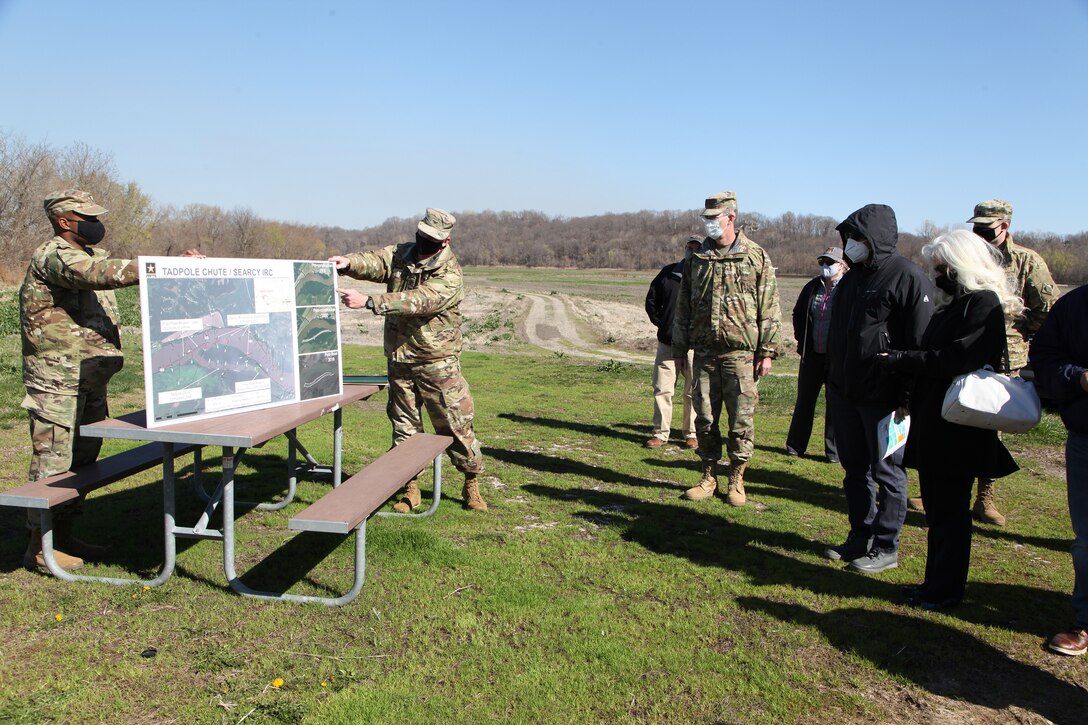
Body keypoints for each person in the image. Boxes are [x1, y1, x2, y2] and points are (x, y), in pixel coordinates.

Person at [20, 190, 203, 572]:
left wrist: (173, 267)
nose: (94, 222)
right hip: (58, 379)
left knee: (83, 460)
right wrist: (159, 265)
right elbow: (101, 276)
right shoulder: (54, 255)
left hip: (89, 376)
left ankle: (65, 534)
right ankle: (40, 547)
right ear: (63, 220)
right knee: (53, 460)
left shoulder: (90, 254)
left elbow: (113, 270)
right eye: (84, 216)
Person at [878, 230, 1024, 609]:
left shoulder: (982, 305)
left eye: (943, 267)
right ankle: (934, 584)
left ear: (963, 266)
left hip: (958, 427)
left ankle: (946, 591)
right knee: (939, 510)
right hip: (937, 420)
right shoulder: (953, 305)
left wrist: (902, 359)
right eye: (936, 267)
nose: (937, 274)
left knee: (951, 514)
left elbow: (955, 358)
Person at [330, 208, 487, 512]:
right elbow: (377, 261)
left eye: (431, 238)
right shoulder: (404, 253)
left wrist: (370, 301)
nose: (423, 241)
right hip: (400, 357)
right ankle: (410, 488)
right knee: (404, 426)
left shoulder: (450, 273)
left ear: (445, 241)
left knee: (455, 425)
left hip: (436, 361)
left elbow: (420, 300)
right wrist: (348, 263)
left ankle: (471, 481)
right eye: (422, 235)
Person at [822, 203, 934, 574]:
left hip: (884, 397)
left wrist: (905, 397)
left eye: (858, 237)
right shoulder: (852, 279)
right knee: (855, 470)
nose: (851, 244)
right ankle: (860, 536)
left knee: (888, 473)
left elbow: (919, 344)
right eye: (849, 236)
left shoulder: (907, 276)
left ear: (876, 239)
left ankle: (886, 546)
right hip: (845, 392)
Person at [672, 192, 782, 506]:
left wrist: (767, 351)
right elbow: (684, 307)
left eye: (713, 218)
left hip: (740, 356)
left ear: (730, 217)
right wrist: (680, 348)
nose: (708, 224)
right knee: (704, 419)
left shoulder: (754, 255)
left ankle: (737, 480)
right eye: (705, 219)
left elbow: (769, 306)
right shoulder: (698, 258)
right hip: (705, 353)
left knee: (741, 420)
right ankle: (708, 477)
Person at [964, 199, 1059, 525]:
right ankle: (952, 486)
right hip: (966, 352)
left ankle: (984, 497)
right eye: (975, 227)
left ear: (1004, 226)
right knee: (957, 418)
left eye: (985, 228)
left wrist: (1017, 334)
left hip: (1005, 360)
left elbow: (1048, 311)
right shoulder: (969, 258)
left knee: (992, 429)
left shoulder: (1027, 261)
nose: (978, 233)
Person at [1029, 283, 1088, 655]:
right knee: (1086, 538)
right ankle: (1085, 622)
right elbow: (1044, 359)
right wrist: (1078, 377)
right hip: (1087, 434)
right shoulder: (1075, 306)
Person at [786, 246, 846, 463]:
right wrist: (801, 340)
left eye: (830, 263)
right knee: (804, 402)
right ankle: (795, 446)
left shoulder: (848, 288)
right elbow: (798, 313)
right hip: (811, 355)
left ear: (842, 265)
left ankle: (833, 452)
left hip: (836, 358)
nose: (825, 266)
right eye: (822, 262)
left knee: (835, 406)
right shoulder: (813, 286)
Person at [643, 235, 701, 450]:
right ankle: (660, 433)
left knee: (694, 392)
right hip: (668, 343)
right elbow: (651, 301)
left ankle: (691, 434)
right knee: (662, 389)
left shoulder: (707, 276)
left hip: (696, 346)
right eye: (689, 247)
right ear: (684, 249)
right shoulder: (669, 273)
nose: (692, 251)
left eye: (697, 248)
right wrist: (663, 325)